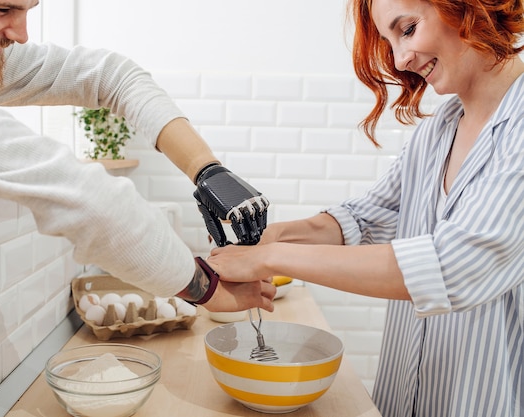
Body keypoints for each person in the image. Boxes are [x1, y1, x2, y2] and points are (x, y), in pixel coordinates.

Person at [207, 0, 524, 416]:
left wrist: (272, 257)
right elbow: (367, 217)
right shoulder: (438, 131)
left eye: (407, 29)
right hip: (403, 398)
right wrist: (276, 235)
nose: (400, 59)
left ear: (465, 7)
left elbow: (453, 264)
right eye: (389, 41)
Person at [0, 0, 275, 312]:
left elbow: (110, 75)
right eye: (0, 9)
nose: (22, 33)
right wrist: (205, 289)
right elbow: (82, 198)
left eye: (28, 10)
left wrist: (208, 171)